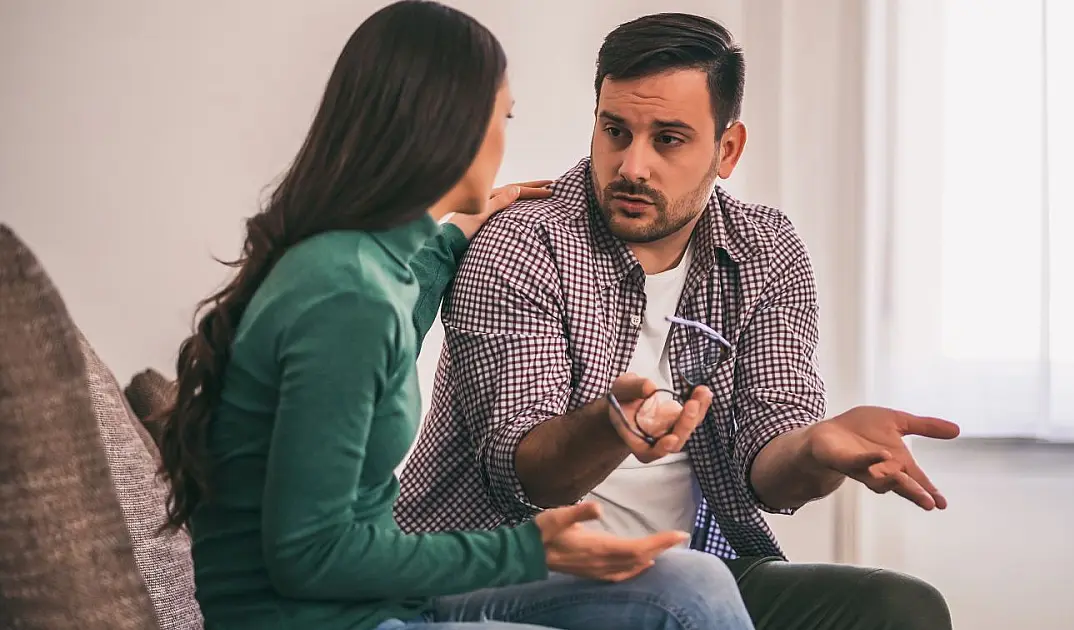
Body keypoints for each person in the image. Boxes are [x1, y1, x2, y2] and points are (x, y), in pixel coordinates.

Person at [155, 3, 758, 630]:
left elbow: (396, 318)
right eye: (504, 118)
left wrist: (448, 236)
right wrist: (528, 549)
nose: (505, 140)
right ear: (450, 126)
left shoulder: (362, 269)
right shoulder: (346, 294)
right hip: (327, 621)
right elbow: (309, 556)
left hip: (375, 604)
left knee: (694, 582)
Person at [393, 12, 961, 630]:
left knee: (900, 608)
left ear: (727, 149)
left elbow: (770, 469)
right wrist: (612, 425)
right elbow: (526, 473)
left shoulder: (765, 249)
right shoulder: (523, 241)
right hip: (502, 567)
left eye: (668, 139)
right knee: (688, 589)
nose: (632, 166)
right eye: (615, 131)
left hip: (684, 567)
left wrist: (816, 449)